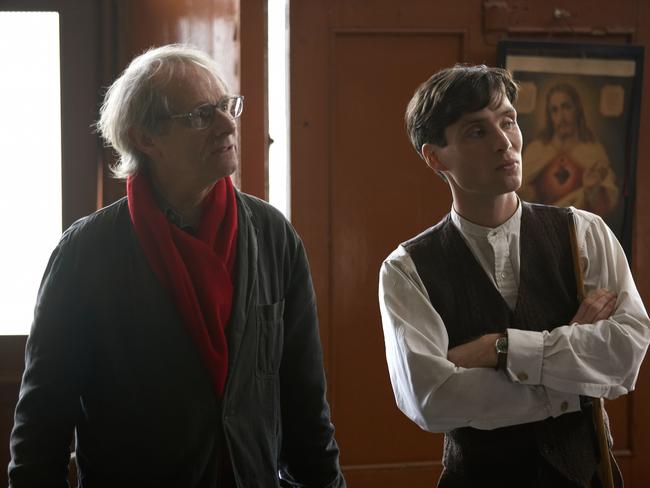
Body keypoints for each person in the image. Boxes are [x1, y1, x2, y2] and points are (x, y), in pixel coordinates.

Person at [9, 44, 345, 488]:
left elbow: (305, 404)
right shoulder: (86, 253)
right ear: (146, 138)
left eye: (227, 106)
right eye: (202, 115)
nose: (228, 124)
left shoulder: (272, 235)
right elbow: (42, 420)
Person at [379, 65, 650, 487]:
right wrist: (571, 377)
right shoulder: (406, 269)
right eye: (476, 132)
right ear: (435, 156)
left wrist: (500, 348)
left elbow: (626, 353)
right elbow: (432, 400)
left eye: (507, 121)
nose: (505, 142)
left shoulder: (584, 232)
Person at [519, 83, 619, 217]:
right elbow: (519, 194)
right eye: (554, 110)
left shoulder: (593, 151)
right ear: (550, 116)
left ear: (577, 109)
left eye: (566, 107)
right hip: (541, 227)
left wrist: (591, 190)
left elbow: (607, 202)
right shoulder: (537, 150)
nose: (561, 117)